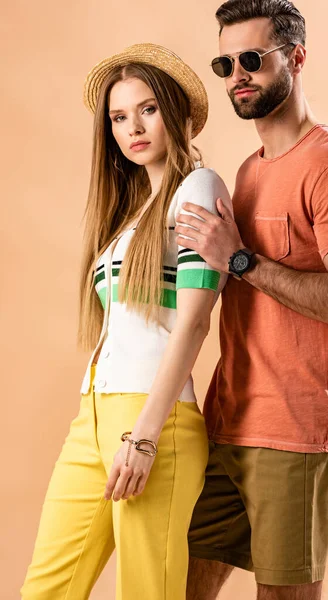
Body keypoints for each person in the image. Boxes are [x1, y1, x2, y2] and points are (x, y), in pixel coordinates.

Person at [175, 2, 328, 599]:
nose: (236, 74)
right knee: (178, 581)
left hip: (296, 432)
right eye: (226, 62)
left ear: (296, 58)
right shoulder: (248, 172)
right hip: (227, 423)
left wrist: (241, 260)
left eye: (251, 59)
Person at [21, 43, 233, 600]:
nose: (132, 127)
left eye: (147, 109)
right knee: (46, 589)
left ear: (175, 112)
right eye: (118, 116)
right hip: (90, 418)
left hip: (152, 423)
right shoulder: (129, 213)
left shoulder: (198, 189)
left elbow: (192, 324)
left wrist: (143, 436)